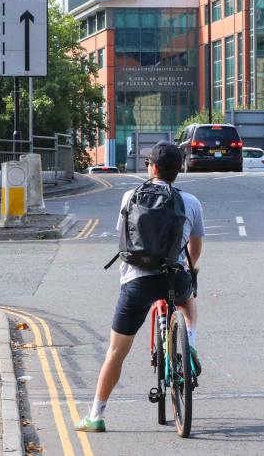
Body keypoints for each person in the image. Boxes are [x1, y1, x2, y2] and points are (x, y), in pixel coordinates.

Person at [76, 141, 204, 433]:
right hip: (174, 277)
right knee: (189, 304)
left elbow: (125, 239)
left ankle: (96, 415)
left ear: (153, 167)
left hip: (136, 281)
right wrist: (191, 269)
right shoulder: (191, 202)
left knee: (116, 351)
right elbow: (195, 248)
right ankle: (190, 345)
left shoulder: (129, 196)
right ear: (178, 170)